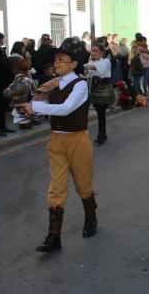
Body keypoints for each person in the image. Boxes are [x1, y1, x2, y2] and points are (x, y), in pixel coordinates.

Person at [16, 38, 96, 253]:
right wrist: (24, 109)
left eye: (62, 59)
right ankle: (53, 237)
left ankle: (91, 217)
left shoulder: (79, 85)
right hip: (56, 140)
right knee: (55, 189)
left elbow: (66, 108)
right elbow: (43, 107)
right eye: (56, 59)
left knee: (83, 185)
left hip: (77, 140)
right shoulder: (53, 84)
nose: (57, 63)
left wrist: (36, 107)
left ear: (74, 64)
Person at [86, 43, 113, 146]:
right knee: (99, 112)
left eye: (95, 51)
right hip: (95, 87)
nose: (93, 53)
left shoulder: (105, 61)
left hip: (104, 88)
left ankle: (101, 136)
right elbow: (89, 73)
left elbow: (96, 68)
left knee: (101, 113)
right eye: (92, 51)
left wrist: (86, 66)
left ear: (101, 52)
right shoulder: (92, 61)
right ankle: (103, 134)